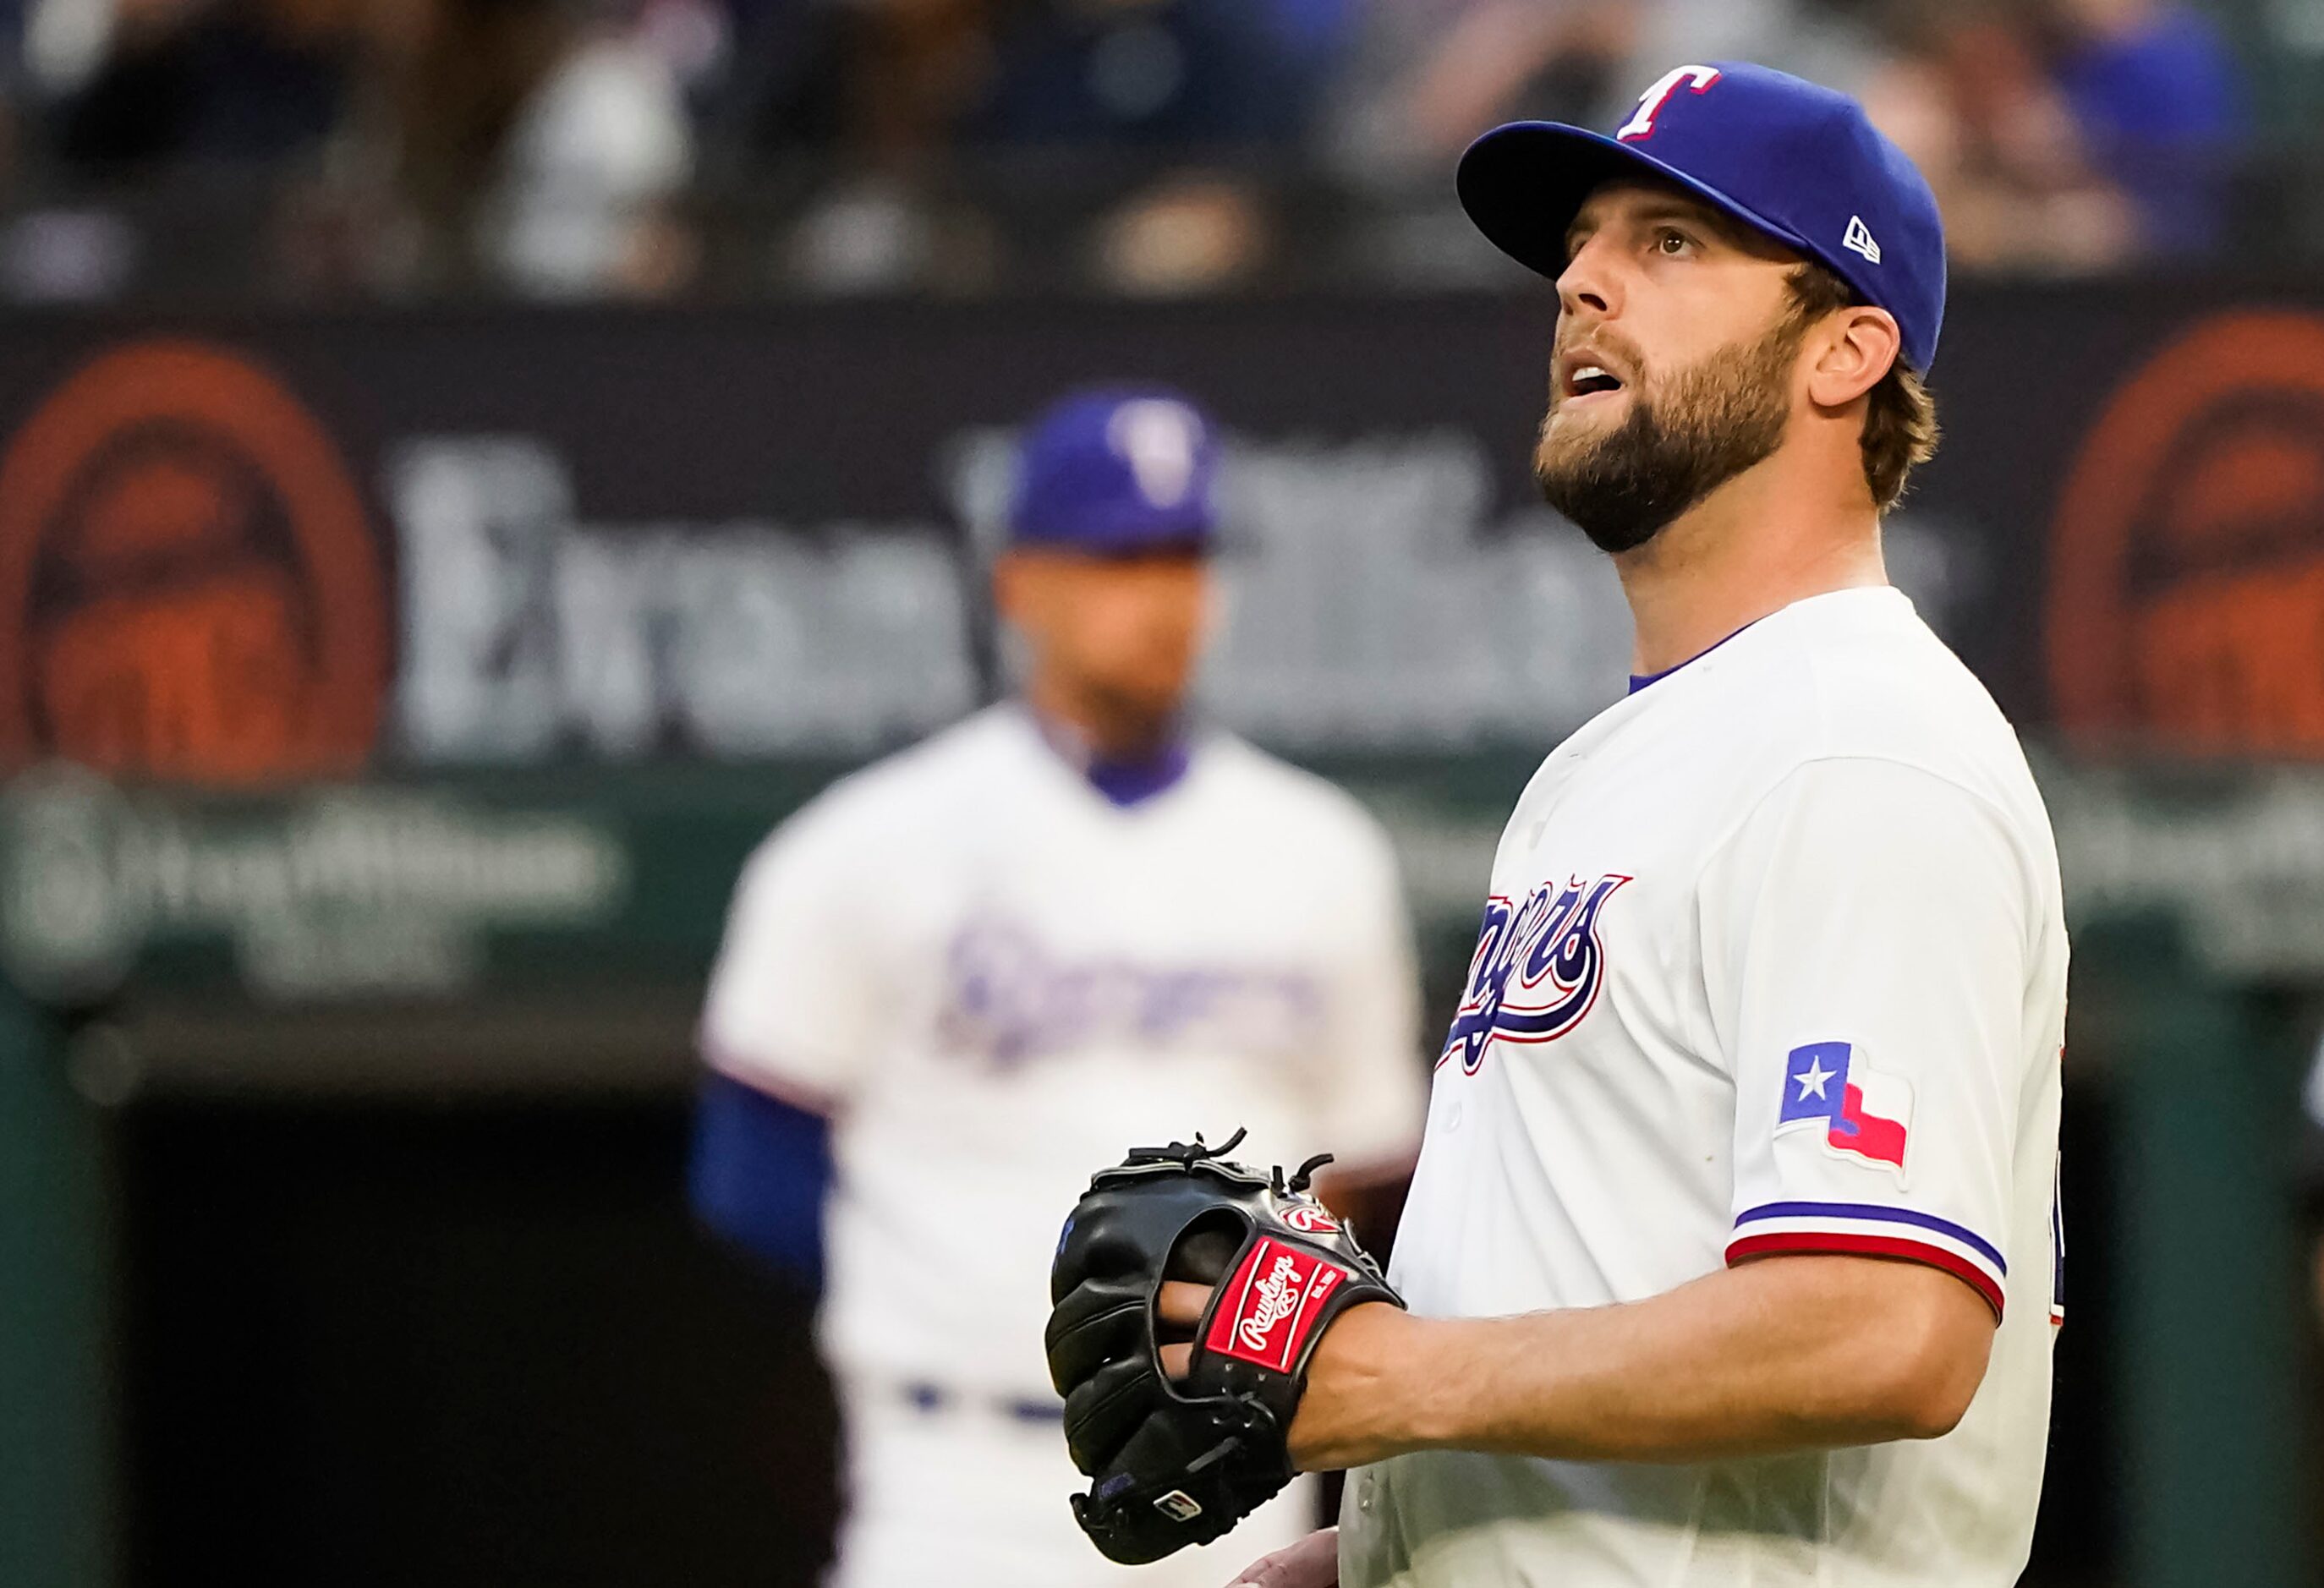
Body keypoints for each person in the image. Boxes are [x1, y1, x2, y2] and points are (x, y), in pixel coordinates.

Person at [1202, 62, 2069, 1587]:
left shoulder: (1861, 745)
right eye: (1583, 244)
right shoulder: (1620, 762)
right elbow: (1612, 1268)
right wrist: (1385, 1551)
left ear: (1847, 349)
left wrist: (1389, 1382)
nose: (1584, 283)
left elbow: (1882, 1322)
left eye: (1670, 241)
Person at [688, 385, 1427, 1588]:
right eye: (1118, 558)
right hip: (958, 1479)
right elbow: (749, 1173)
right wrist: (970, 1283)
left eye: (1183, 557)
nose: (1160, 597)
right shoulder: (865, 844)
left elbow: (1368, 1188)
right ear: (1020, 583)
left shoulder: (1324, 850)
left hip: (1239, 1470)